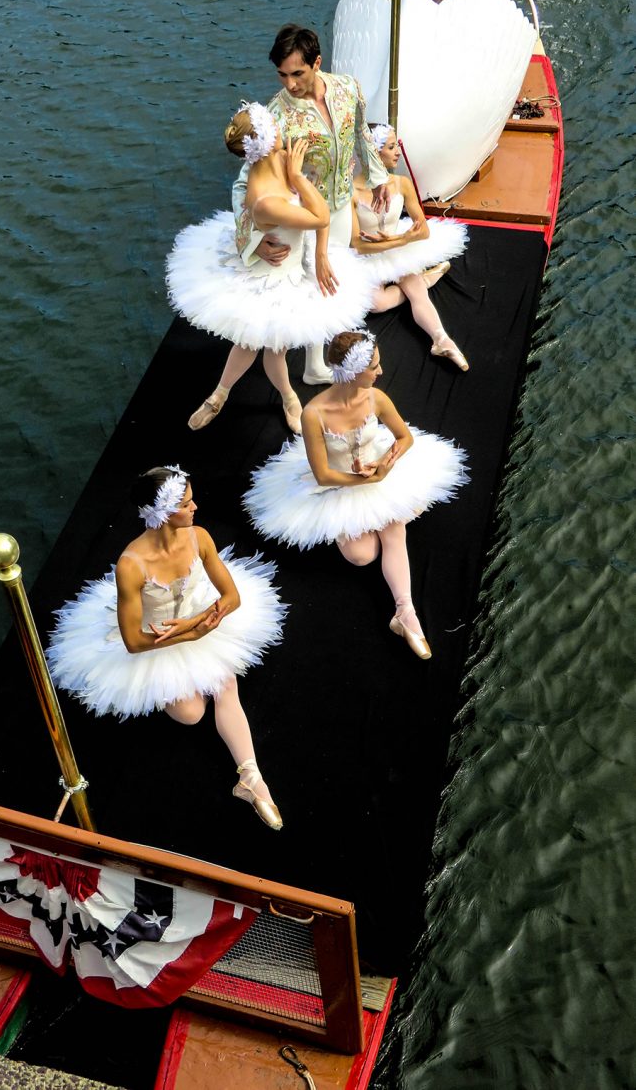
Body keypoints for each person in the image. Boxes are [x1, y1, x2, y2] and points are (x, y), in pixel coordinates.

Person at [47, 466, 285, 830]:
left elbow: (232, 597)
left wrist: (194, 625)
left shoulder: (199, 536)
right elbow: (133, 642)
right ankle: (242, 768)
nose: (195, 507)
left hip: (195, 619)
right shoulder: (132, 564)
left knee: (225, 685)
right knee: (191, 715)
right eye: (186, 503)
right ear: (162, 513)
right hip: (153, 643)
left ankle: (251, 778)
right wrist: (187, 637)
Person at [244, 331, 468, 659]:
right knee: (362, 556)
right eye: (373, 366)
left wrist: (385, 465)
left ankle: (405, 613)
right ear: (352, 372)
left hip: (376, 469)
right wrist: (363, 480)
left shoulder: (376, 398)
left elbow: (404, 439)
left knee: (393, 526)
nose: (380, 371)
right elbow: (322, 473)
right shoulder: (314, 413)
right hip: (338, 483)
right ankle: (399, 598)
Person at [167, 102, 375, 435]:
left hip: (294, 265)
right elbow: (319, 215)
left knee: (268, 346)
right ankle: (269, 397)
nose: (279, 126)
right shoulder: (264, 198)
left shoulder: (273, 159)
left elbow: (312, 200)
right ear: (264, 140)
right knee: (255, 343)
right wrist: (293, 180)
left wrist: (320, 253)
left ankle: (232, 395)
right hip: (270, 278)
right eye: (272, 125)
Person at [232, 24, 391, 384]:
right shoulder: (275, 116)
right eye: (282, 75)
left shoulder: (348, 88)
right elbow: (245, 182)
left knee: (331, 282)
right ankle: (312, 367)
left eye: (297, 73)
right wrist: (256, 238)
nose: (289, 84)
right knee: (309, 287)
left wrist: (378, 176)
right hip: (304, 214)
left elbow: (362, 133)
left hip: (340, 202)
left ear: (317, 62)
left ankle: (318, 363)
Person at [352, 124, 470, 370]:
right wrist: (395, 242)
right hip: (367, 255)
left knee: (416, 292)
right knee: (377, 304)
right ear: (374, 152)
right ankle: (429, 278)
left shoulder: (401, 183)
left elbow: (423, 230)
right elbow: (358, 245)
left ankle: (441, 339)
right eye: (391, 146)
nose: (398, 152)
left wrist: (399, 241)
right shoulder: (352, 191)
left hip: (398, 247)